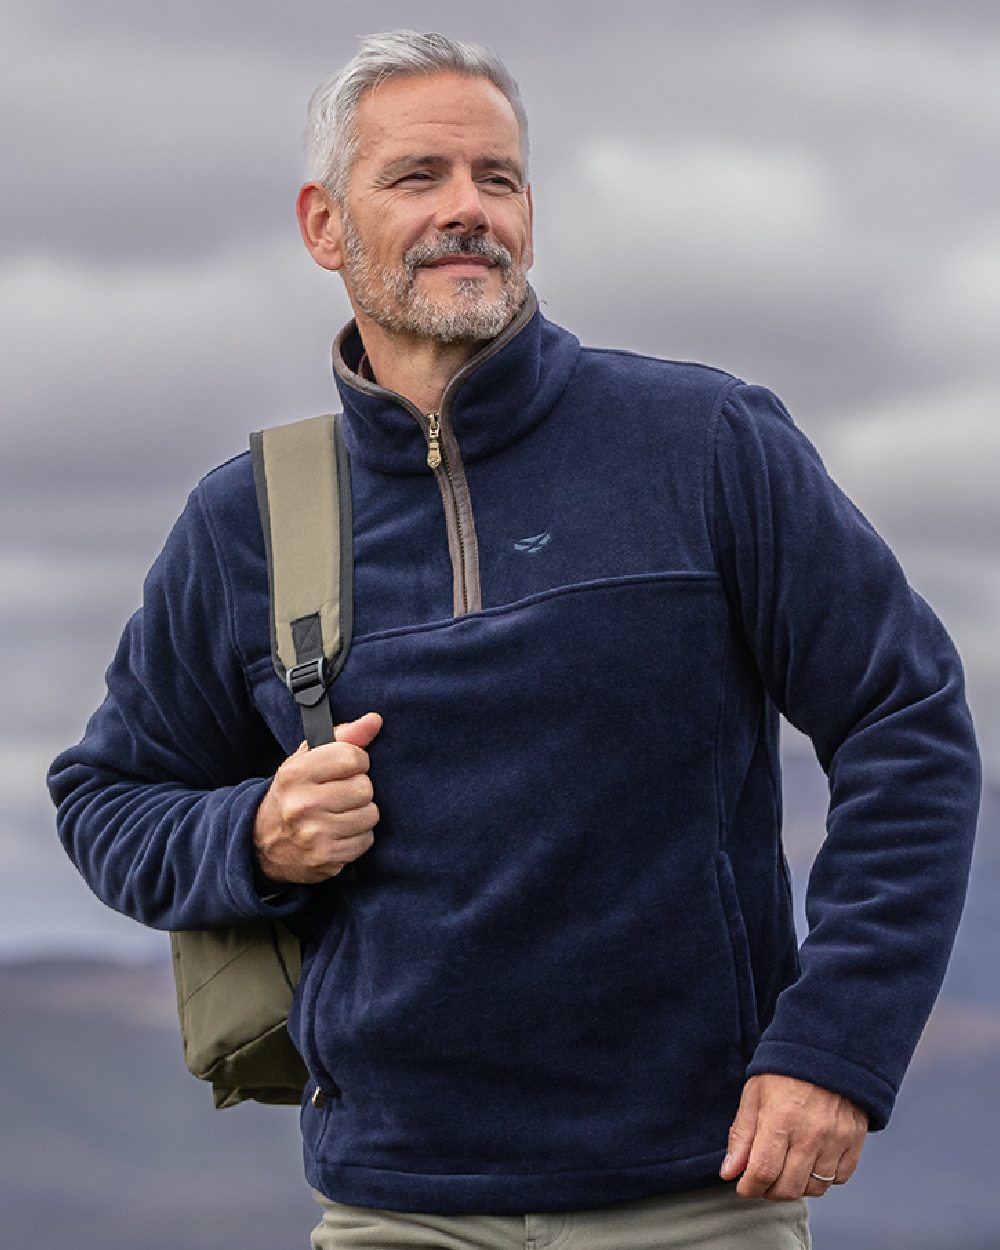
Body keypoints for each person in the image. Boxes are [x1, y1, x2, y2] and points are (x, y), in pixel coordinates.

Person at [49, 30, 980, 1250]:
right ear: (325, 226)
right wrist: (256, 834)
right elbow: (104, 796)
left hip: (694, 1193)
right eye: (418, 177)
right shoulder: (249, 518)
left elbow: (906, 725)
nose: (466, 210)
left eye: (497, 177)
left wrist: (836, 1047)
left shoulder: (703, 440)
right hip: (393, 1202)